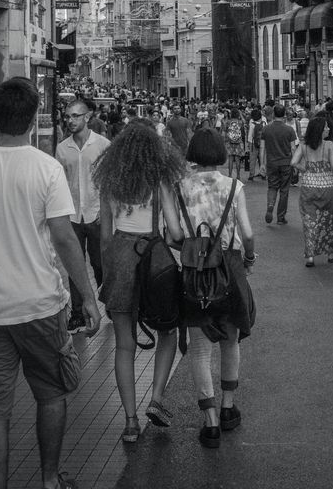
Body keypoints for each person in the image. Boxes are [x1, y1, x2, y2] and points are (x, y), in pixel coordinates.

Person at [0, 77, 101, 489]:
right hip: (40, 305)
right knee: (51, 394)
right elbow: (64, 237)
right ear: (35, 115)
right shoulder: (46, 168)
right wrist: (88, 297)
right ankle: (50, 480)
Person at [93, 120, 185, 442]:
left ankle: (130, 421)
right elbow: (174, 232)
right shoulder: (160, 179)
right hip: (154, 259)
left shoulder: (110, 181)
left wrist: (108, 274)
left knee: (124, 344)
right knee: (168, 331)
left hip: (119, 257)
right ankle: (156, 398)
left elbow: (104, 237)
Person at [168, 128, 256, 448]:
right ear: (220, 152)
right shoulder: (234, 187)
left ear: (192, 152)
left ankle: (210, 423)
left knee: (200, 350)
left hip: (195, 274)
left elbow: (172, 234)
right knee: (231, 341)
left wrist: (194, 249)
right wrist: (248, 258)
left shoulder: (179, 188)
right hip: (230, 269)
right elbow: (247, 233)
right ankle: (228, 407)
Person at [55, 101, 111, 332]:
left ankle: (107, 304)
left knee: (100, 264)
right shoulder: (62, 148)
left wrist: (107, 213)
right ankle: (77, 313)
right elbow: (59, 183)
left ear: (87, 117)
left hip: (96, 214)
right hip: (73, 216)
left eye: (75, 116)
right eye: (68, 116)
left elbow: (109, 181)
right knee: (74, 264)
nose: (70, 120)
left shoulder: (103, 145)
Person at [290, 114, 333, 267]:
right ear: (319, 130)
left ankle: (310, 256)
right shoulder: (328, 145)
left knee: (310, 222)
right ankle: (331, 253)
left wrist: (304, 168)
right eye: (326, 127)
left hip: (308, 188)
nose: (328, 129)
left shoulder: (303, 145)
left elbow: (293, 162)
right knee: (330, 221)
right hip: (328, 189)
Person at [260, 105, 299, 224]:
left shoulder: (266, 129)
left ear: (273, 114)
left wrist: (262, 163)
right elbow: (293, 148)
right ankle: (281, 217)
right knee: (284, 190)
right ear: (284, 115)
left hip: (272, 163)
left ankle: (271, 204)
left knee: (272, 186)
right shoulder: (289, 130)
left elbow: (262, 147)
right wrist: (295, 163)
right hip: (286, 163)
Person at [224, 107, 245, 180]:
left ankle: (230, 175)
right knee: (237, 159)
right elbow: (244, 122)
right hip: (238, 142)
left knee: (230, 159)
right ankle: (238, 175)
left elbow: (225, 129)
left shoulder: (228, 122)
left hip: (230, 142)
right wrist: (241, 115)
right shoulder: (239, 122)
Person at [247, 107, 266, 181]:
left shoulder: (252, 122)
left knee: (252, 159)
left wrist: (249, 144)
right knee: (262, 159)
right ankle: (263, 174)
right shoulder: (264, 121)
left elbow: (250, 135)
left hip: (253, 143)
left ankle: (251, 175)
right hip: (263, 143)